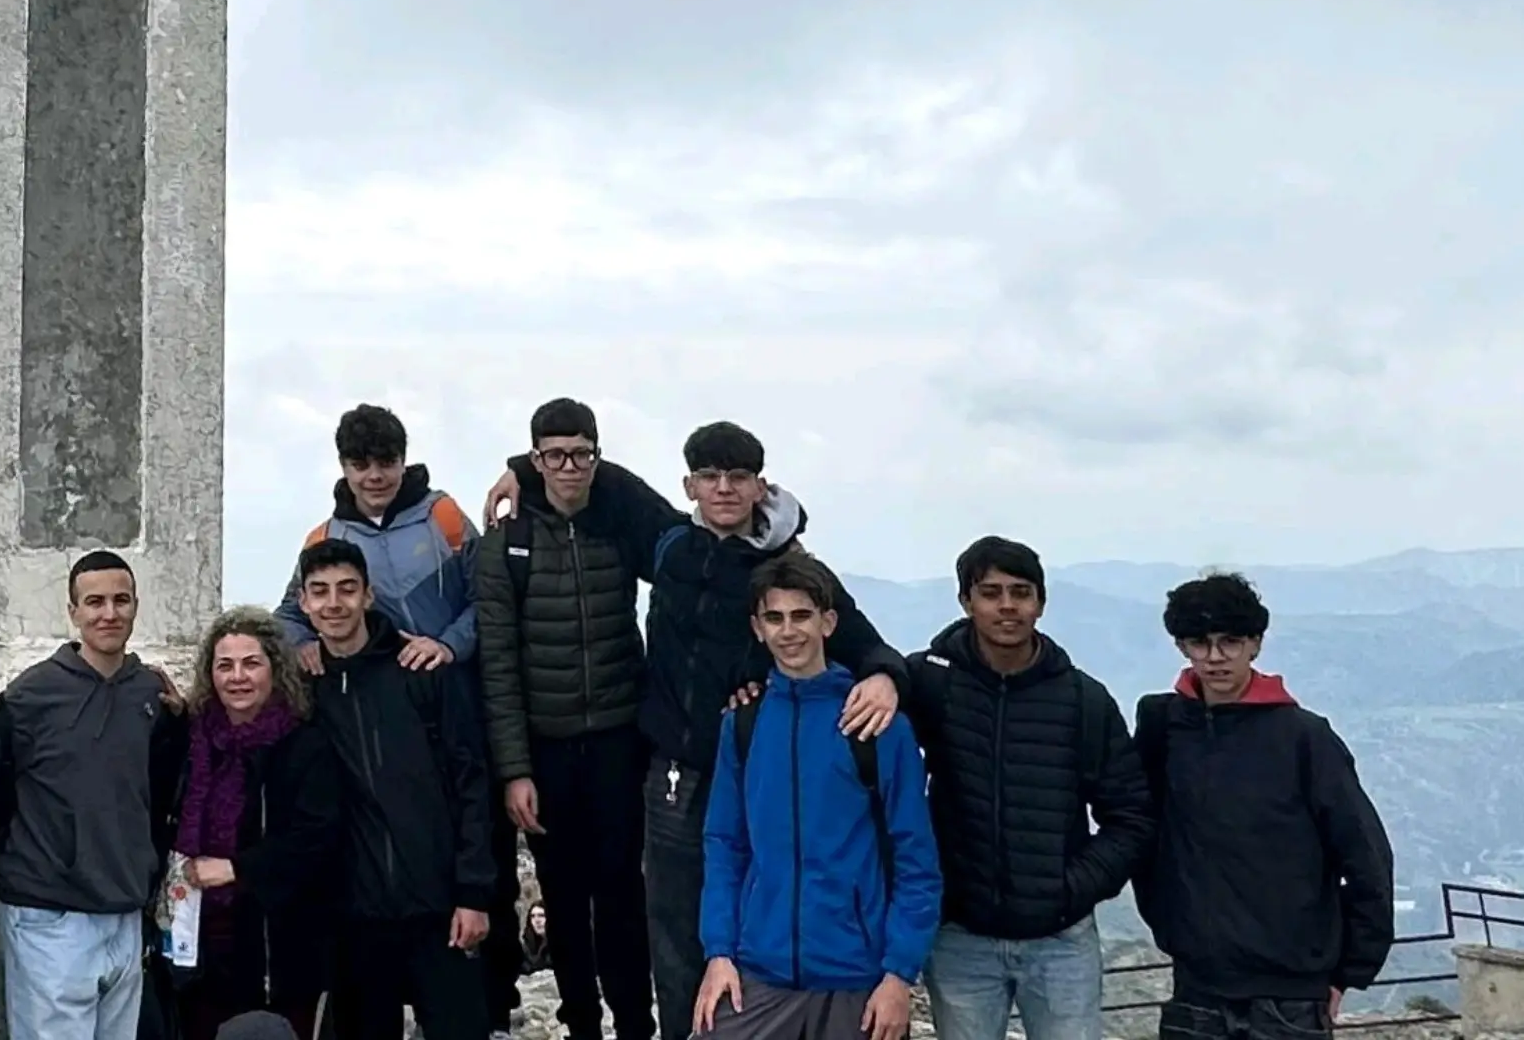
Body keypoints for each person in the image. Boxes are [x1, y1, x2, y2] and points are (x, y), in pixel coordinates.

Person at [487, 421, 907, 1040]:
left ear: (761, 486)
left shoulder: (784, 566)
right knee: (674, 925)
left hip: (754, 766)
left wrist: (886, 677)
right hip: (673, 770)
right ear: (690, 486)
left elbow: (861, 639)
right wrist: (523, 470)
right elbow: (599, 477)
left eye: (738, 476)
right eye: (710, 476)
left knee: (755, 910)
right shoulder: (670, 544)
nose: (724, 488)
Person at [272, 404, 522, 1035]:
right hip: (362, 700)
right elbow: (288, 614)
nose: (375, 476)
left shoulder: (444, 516)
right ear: (343, 467)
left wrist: (448, 647)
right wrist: (300, 644)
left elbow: (487, 600)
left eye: (386, 462)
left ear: (403, 461)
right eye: (361, 464)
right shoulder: (325, 536)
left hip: (446, 696)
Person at [903, 538, 1152, 1040]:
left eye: (1020, 592)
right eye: (991, 592)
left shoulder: (1082, 699)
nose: (1007, 606)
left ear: (1040, 602)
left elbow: (1131, 816)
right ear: (966, 601)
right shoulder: (929, 684)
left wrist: (1071, 890)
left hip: (1061, 941)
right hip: (960, 937)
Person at [1131, 573, 1394, 1040]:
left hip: (1291, 992)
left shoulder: (1304, 738)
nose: (1215, 657)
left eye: (1230, 641)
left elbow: (1365, 854)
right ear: (1182, 647)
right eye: (1200, 642)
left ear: (1255, 644)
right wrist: (1171, 924)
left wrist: (1348, 972)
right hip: (1197, 984)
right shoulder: (1163, 728)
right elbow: (1139, 831)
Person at [694, 556, 940, 1040]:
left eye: (801, 616)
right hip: (759, 970)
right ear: (757, 628)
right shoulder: (743, 724)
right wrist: (718, 952)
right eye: (775, 618)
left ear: (828, 622)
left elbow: (917, 859)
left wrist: (898, 975)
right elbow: (724, 843)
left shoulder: (877, 727)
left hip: (857, 977)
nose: (789, 631)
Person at [474, 398, 655, 1040]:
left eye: (582, 454)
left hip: (618, 739)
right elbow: (497, 664)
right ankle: (581, 1023)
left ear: (598, 457)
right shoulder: (505, 544)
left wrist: (523, 469)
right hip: (546, 748)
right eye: (555, 456)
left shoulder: (620, 526)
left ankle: (635, 1024)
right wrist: (515, 770)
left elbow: (680, 543)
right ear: (537, 459)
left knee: (623, 894)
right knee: (563, 897)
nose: (570, 467)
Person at [0, 551, 186, 1040]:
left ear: (136, 606)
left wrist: (180, 723)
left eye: (120, 600)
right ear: (73, 612)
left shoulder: (151, 695)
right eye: (94, 602)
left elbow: (159, 794)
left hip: (124, 910)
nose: (108, 613)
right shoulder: (29, 697)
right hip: (49, 914)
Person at [295, 538, 494, 1040]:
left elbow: (472, 785)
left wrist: (473, 894)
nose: (334, 603)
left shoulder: (421, 672)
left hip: (439, 908)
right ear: (303, 602)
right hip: (354, 919)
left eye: (347, 589)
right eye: (320, 591)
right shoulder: (304, 691)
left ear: (368, 594)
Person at [165, 607, 345, 1040]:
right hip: (200, 942)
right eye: (224, 665)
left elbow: (316, 838)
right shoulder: (193, 739)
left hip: (276, 949)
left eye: (251, 663)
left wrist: (237, 869)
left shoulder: (304, 744)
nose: (237, 677)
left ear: (275, 668)